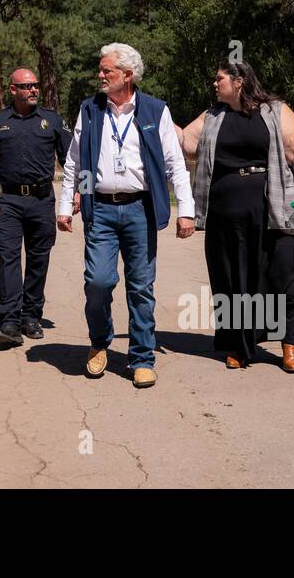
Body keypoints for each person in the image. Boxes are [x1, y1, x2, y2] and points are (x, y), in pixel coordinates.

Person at [57, 43, 195, 389]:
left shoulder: (154, 110)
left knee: (141, 287)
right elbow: (76, 161)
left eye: (107, 71)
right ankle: (99, 343)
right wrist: (66, 204)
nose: (100, 76)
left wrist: (186, 211)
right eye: (101, 70)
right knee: (98, 282)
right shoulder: (90, 110)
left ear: (128, 75)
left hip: (139, 209)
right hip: (100, 209)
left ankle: (142, 358)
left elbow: (174, 164)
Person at [178, 61, 294, 373]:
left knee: (285, 272)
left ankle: (290, 342)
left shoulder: (275, 110)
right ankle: (239, 345)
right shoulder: (213, 116)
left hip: (278, 205)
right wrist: (155, 115)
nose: (214, 84)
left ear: (239, 80)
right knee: (232, 277)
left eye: (219, 79)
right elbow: (185, 142)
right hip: (225, 211)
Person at [0, 69, 69, 346]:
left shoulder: (52, 121)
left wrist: (80, 193)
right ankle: (9, 319)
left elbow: (73, 160)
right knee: (8, 258)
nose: (33, 89)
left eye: (35, 85)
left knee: (38, 259)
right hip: (7, 201)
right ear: (12, 90)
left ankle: (31, 315)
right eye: (26, 86)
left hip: (41, 200)